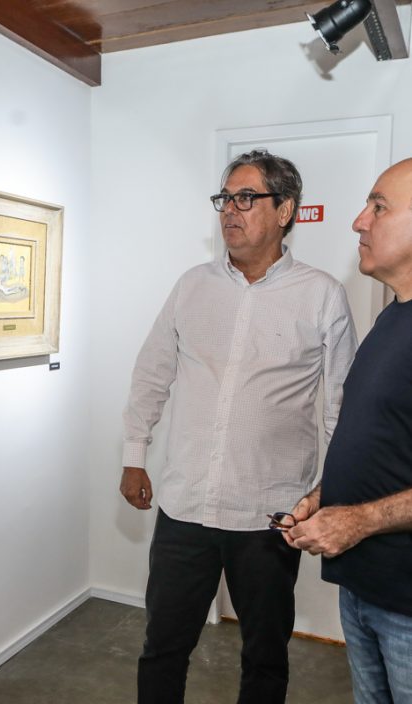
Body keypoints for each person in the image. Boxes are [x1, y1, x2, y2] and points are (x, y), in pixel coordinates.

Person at [120, 149, 357, 704]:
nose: (230, 209)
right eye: (225, 198)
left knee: (265, 655)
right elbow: (152, 373)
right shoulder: (192, 286)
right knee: (163, 647)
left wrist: (332, 491)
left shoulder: (322, 294)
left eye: (246, 198)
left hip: (269, 514)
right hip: (186, 506)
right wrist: (134, 455)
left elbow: (340, 406)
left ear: (285, 210)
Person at [286, 158, 412, 703]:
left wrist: (358, 520)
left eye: (379, 207)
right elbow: (384, 438)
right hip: (364, 588)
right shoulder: (392, 317)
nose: (359, 221)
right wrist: (324, 496)